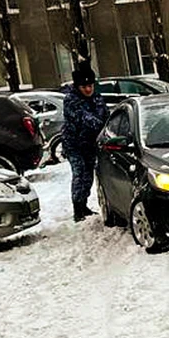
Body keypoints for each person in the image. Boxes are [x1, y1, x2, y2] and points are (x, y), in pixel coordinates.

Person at [62, 67, 109, 222]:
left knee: (88, 175)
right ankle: (78, 207)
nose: (88, 89)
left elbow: (106, 115)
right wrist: (103, 127)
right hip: (74, 145)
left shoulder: (97, 98)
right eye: (84, 87)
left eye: (90, 86)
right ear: (77, 86)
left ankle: (84, 204)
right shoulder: (70, 100)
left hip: (90, 144)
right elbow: (84, 119)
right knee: (79, 174)